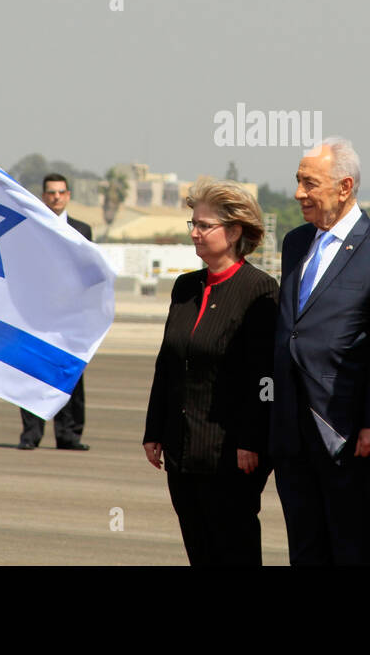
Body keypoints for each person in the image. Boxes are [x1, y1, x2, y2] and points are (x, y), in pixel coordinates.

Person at [270, 137, 370, 565]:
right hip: (291, 429)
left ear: (345, 186)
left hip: (344, 431)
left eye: (310, 183)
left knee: (350, 548)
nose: (299, 193)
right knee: (304, 548)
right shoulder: (295, 242)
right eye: (298, 181)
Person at [142, 178, 279, 565]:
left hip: (231, 454)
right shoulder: (185, 287)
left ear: (234, 232)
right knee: (199, 550)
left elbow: (265, 377)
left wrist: (252, 440)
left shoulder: (260, 289)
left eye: (204, 225)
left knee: (233, 550)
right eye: (194, 224)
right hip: (182, 449)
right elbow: (167, 363)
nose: (195, 233)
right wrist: (154, 430)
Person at [19, 173, 94, 450]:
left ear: (68, 195)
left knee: (70, 374)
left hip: (70, 317)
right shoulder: (30, 226)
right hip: (36, 314)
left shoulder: (83, 230)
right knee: (33, 374)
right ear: (43, 196)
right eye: (51, 192)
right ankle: (31, 434)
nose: (56, 197)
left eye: (61, 192)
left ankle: (69, 434)